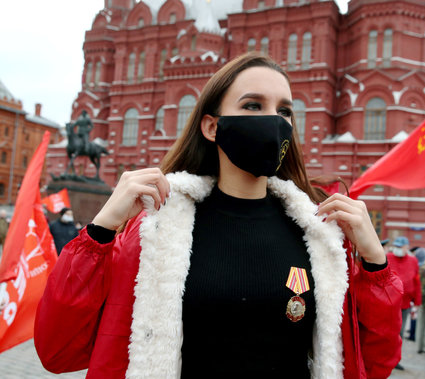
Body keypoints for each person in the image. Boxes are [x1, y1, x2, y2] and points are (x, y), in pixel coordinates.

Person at [34, 53, 404, 378]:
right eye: (253, 106)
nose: (273, 120)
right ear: (212, 126)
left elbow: (373, 365)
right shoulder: (158, 230)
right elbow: (59, 350)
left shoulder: (319, 234)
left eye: (285, 110)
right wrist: (101, 230)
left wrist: (375, 264)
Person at [386, 236, 422, 370]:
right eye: (396, 246)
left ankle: (394, 360)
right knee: (386, 332)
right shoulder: (388, 257)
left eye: (401, 247)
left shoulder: (413, 261)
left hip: (404, 305)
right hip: (388, 304)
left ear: (407, 248)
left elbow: (416, 281)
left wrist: (417, 301)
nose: (398, 249)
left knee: (399, 334)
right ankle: (383, 357)